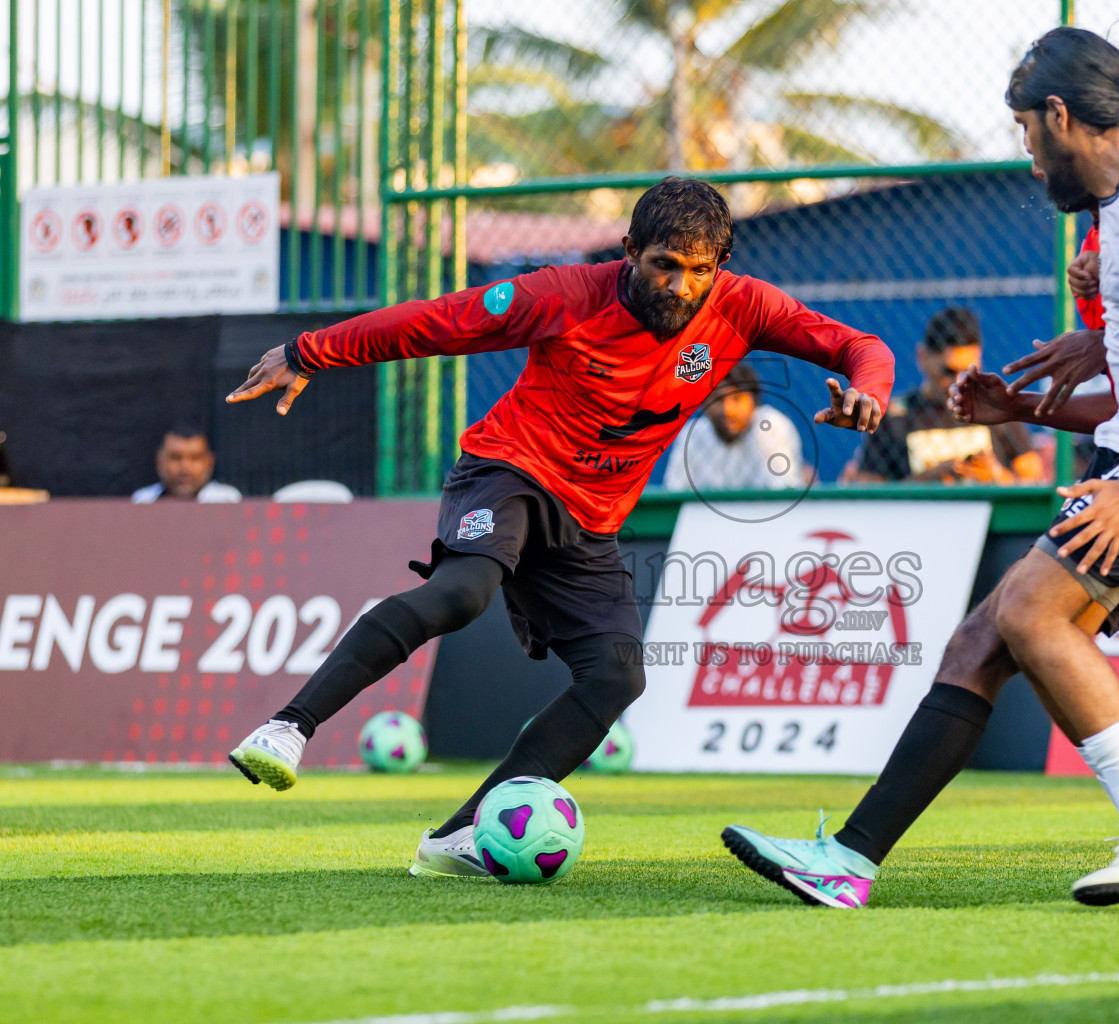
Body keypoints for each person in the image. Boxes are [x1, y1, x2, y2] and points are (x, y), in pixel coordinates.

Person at [721, 28, 1119, 909]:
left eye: (1028, 134)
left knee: (1026, 614)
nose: (1029, 159)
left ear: (1060, 116)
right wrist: (1095, 351)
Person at [222, 177, 894, 878]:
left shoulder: (744, 306)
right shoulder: (562, 296)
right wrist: (310, 351)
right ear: (631, 250)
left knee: (617, 675)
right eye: (665, 264)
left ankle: (460, 835)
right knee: (463, 593)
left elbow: (862, 346)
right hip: (509, 471)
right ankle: (288, 727)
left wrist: (869, 395)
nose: (681, 285)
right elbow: (436, 321)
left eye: (701, 270)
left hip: (589, 520)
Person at [846, 306, 1044, 484]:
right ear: (922, 357)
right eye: (948, 371)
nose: (959, 382)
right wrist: (927, 480)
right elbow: (868, 489)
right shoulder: (896, 416)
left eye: (968, 371)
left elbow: (1034, 481)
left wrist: (996, 477)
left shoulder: (996, 408)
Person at [662, 362, 809, 491]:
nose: (727, 410)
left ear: (754, 402)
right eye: (718, 400)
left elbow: (780, 494)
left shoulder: (770, 426)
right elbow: (674, 493)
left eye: (737, 399)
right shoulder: (693, 434)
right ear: (704, 403)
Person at [130, 425, 242, 503]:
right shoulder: (143, 501)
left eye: (195, 458)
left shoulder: (227, 501)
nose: (185, 468)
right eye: (176, 458)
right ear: (160, 460)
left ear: (209, 462)